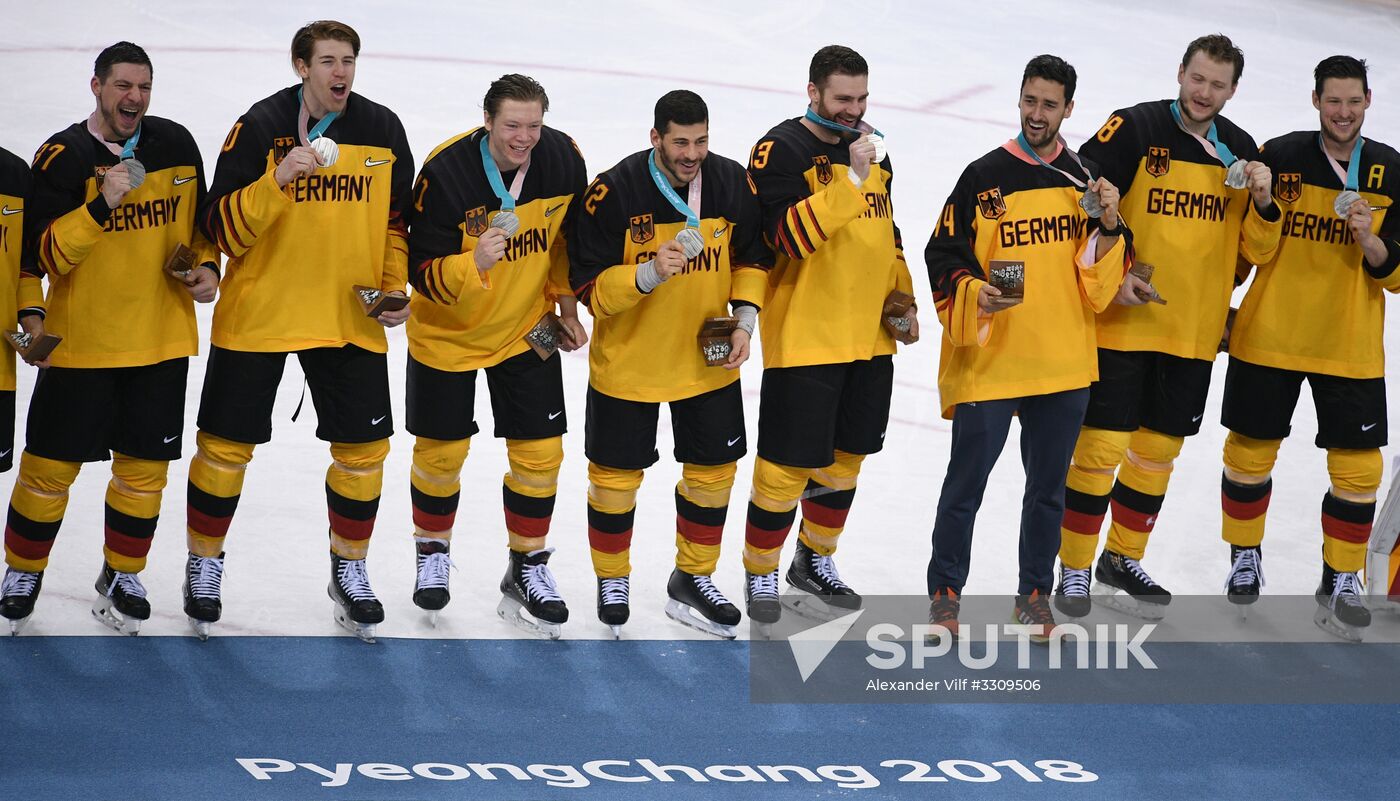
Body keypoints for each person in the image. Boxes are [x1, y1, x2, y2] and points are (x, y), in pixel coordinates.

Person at [188, 20, 413, 642]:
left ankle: (351, 570)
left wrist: (394, 287)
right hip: (262, 311)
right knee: (225, 449)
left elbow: (397, 224)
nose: (341, 73)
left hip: (346, 316)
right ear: (301, 67)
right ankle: (203, 564)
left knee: (364, 454)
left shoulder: (382, 129)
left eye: (349, 61)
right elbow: (220, 229)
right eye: (329, 62)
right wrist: (276, 180)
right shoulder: (258, 127)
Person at [1055, 34, 1282, 619]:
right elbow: (1082, 193)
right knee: (1100, 450)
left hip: (1193, 333)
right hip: (1124, 325)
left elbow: (1256, 251)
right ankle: (1074, 569)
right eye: (1197, 78)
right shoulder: (1133, 127)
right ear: (1180, 73)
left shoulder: (1241, 150)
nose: (1204, 93)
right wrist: (1115, 267)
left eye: (1218, 84)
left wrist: (1262, 202)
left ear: (1233, 90)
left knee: (1156, 455)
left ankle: (1121, 558)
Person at [0, 42, 219, 636]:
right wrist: (101, 204)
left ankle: (122, 573)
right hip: (83, 347)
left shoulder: (175, 143)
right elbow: (41, 256)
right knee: (47, 470)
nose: (135, 98)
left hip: (159, 342)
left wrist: (207, 268)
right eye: (123, 85)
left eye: (144, 86)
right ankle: (23, 572)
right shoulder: (61, 157)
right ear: (96, 86)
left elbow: (200, 230)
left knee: (143, 473)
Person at [925, 54, 1128, 641]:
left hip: (1062, 363)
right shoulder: (982, 175)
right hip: (993, 361)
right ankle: (945, 594)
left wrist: (1112, 225)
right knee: (965, 486)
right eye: (1030, 101)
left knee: (1047, 492)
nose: (1037, 114)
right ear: (1019, 99)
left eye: (1050, 104)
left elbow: (1102, 283)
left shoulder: (1087, 183)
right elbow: (943, 254)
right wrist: (973, 290)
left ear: (1069, 109)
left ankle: (1035, 594)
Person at [569, 90, 771, 639]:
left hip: (705, 361)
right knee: (614, 480)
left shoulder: (729, 181)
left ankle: (693, 579)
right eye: (680, 141)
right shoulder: (613, 190)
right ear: (654, 137)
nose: (692, 153)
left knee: (713, 475)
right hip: (629, 363)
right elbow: (587, 287)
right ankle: (613, 579)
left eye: (701, 140)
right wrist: (646, 275)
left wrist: (746, 319)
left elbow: (752, 257)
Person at [1217, 55, 1399, 641]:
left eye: (1353, 101)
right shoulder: (1282, 155)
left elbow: (1396, 274)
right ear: (1314, 100)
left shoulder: (1392, 171)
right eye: (1332, 100)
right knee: (1248, 455)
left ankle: (1341, 578)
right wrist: (1267, 206)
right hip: (1269, 335)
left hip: (1347, 344)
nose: (1342, 112)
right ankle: (1244, 557)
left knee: (1358, 471)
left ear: (1368, 100)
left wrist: (1370, 240)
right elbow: (1253, 248)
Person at [403, 74, 588, 636]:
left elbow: (564, 242)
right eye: (512, 125)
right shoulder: (446, 172)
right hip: (448, 335)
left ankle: (527, 566)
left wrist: (566, 307)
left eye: (534, 125)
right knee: (441, 454)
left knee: (540, 455)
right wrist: (473, 263)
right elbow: (420, 271)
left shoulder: (561, 157)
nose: (524, 137)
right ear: (488, 121)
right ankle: (432, 554)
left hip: (525, 330)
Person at [740, 45, 917, 627]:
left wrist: (903, 297)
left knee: (846, 460)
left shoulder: (872, 146)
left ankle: (814, 561)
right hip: (808, 334)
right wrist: (852, 180)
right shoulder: (779, 150)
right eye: (843, 98)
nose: (854, 109)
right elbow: (787, 239)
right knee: (785, 466)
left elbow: (887, 231)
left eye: (862, 98)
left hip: (870, 337)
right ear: (812, 91)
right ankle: (761, 569)